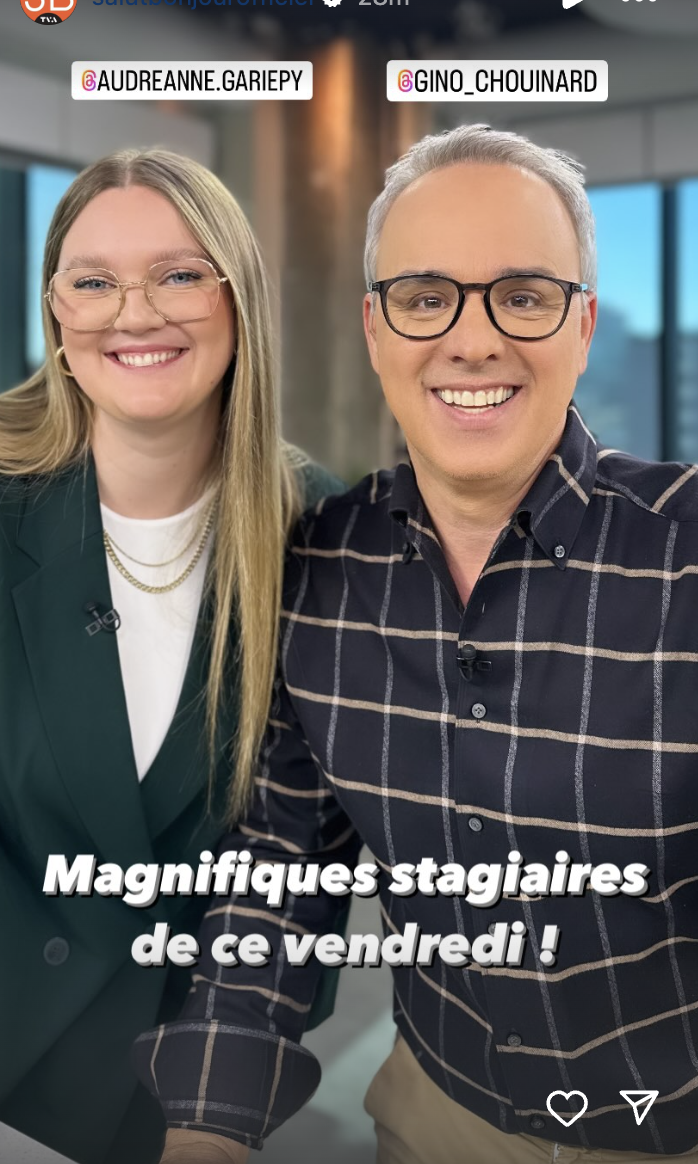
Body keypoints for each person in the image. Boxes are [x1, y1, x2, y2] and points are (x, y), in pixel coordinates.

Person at [135, 123, 698, 1164]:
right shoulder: (315, 573)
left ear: (579, 329)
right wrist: (205, 1131)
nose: (471, 339)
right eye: (424, 295)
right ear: (373, 328)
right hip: (437, 1116)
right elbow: (276, 880)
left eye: (521, 296)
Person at [0, 147, 343, 1164]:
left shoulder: (320, 530)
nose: (132, 313)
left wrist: (213, 1117)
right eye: (93, 281)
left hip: (168, 1101)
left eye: (179, 274)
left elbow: (298, 866)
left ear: (239, 301)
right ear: (56, 310)